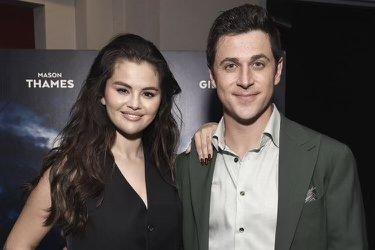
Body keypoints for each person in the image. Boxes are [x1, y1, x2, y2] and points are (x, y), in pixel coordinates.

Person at [176, 4, 368, 250]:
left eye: (258, 64)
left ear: (277, 70)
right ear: (212, 76)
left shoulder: (330, 159)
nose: (245, 80)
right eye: (230, 66)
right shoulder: (189, 166)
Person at [5, 33, 189, 250]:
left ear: (160, 101)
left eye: (148, 94)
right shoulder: (71, 169)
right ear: (102, 93)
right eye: (122, 90)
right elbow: (16, 245)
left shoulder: (172, 168)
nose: (135, 103)